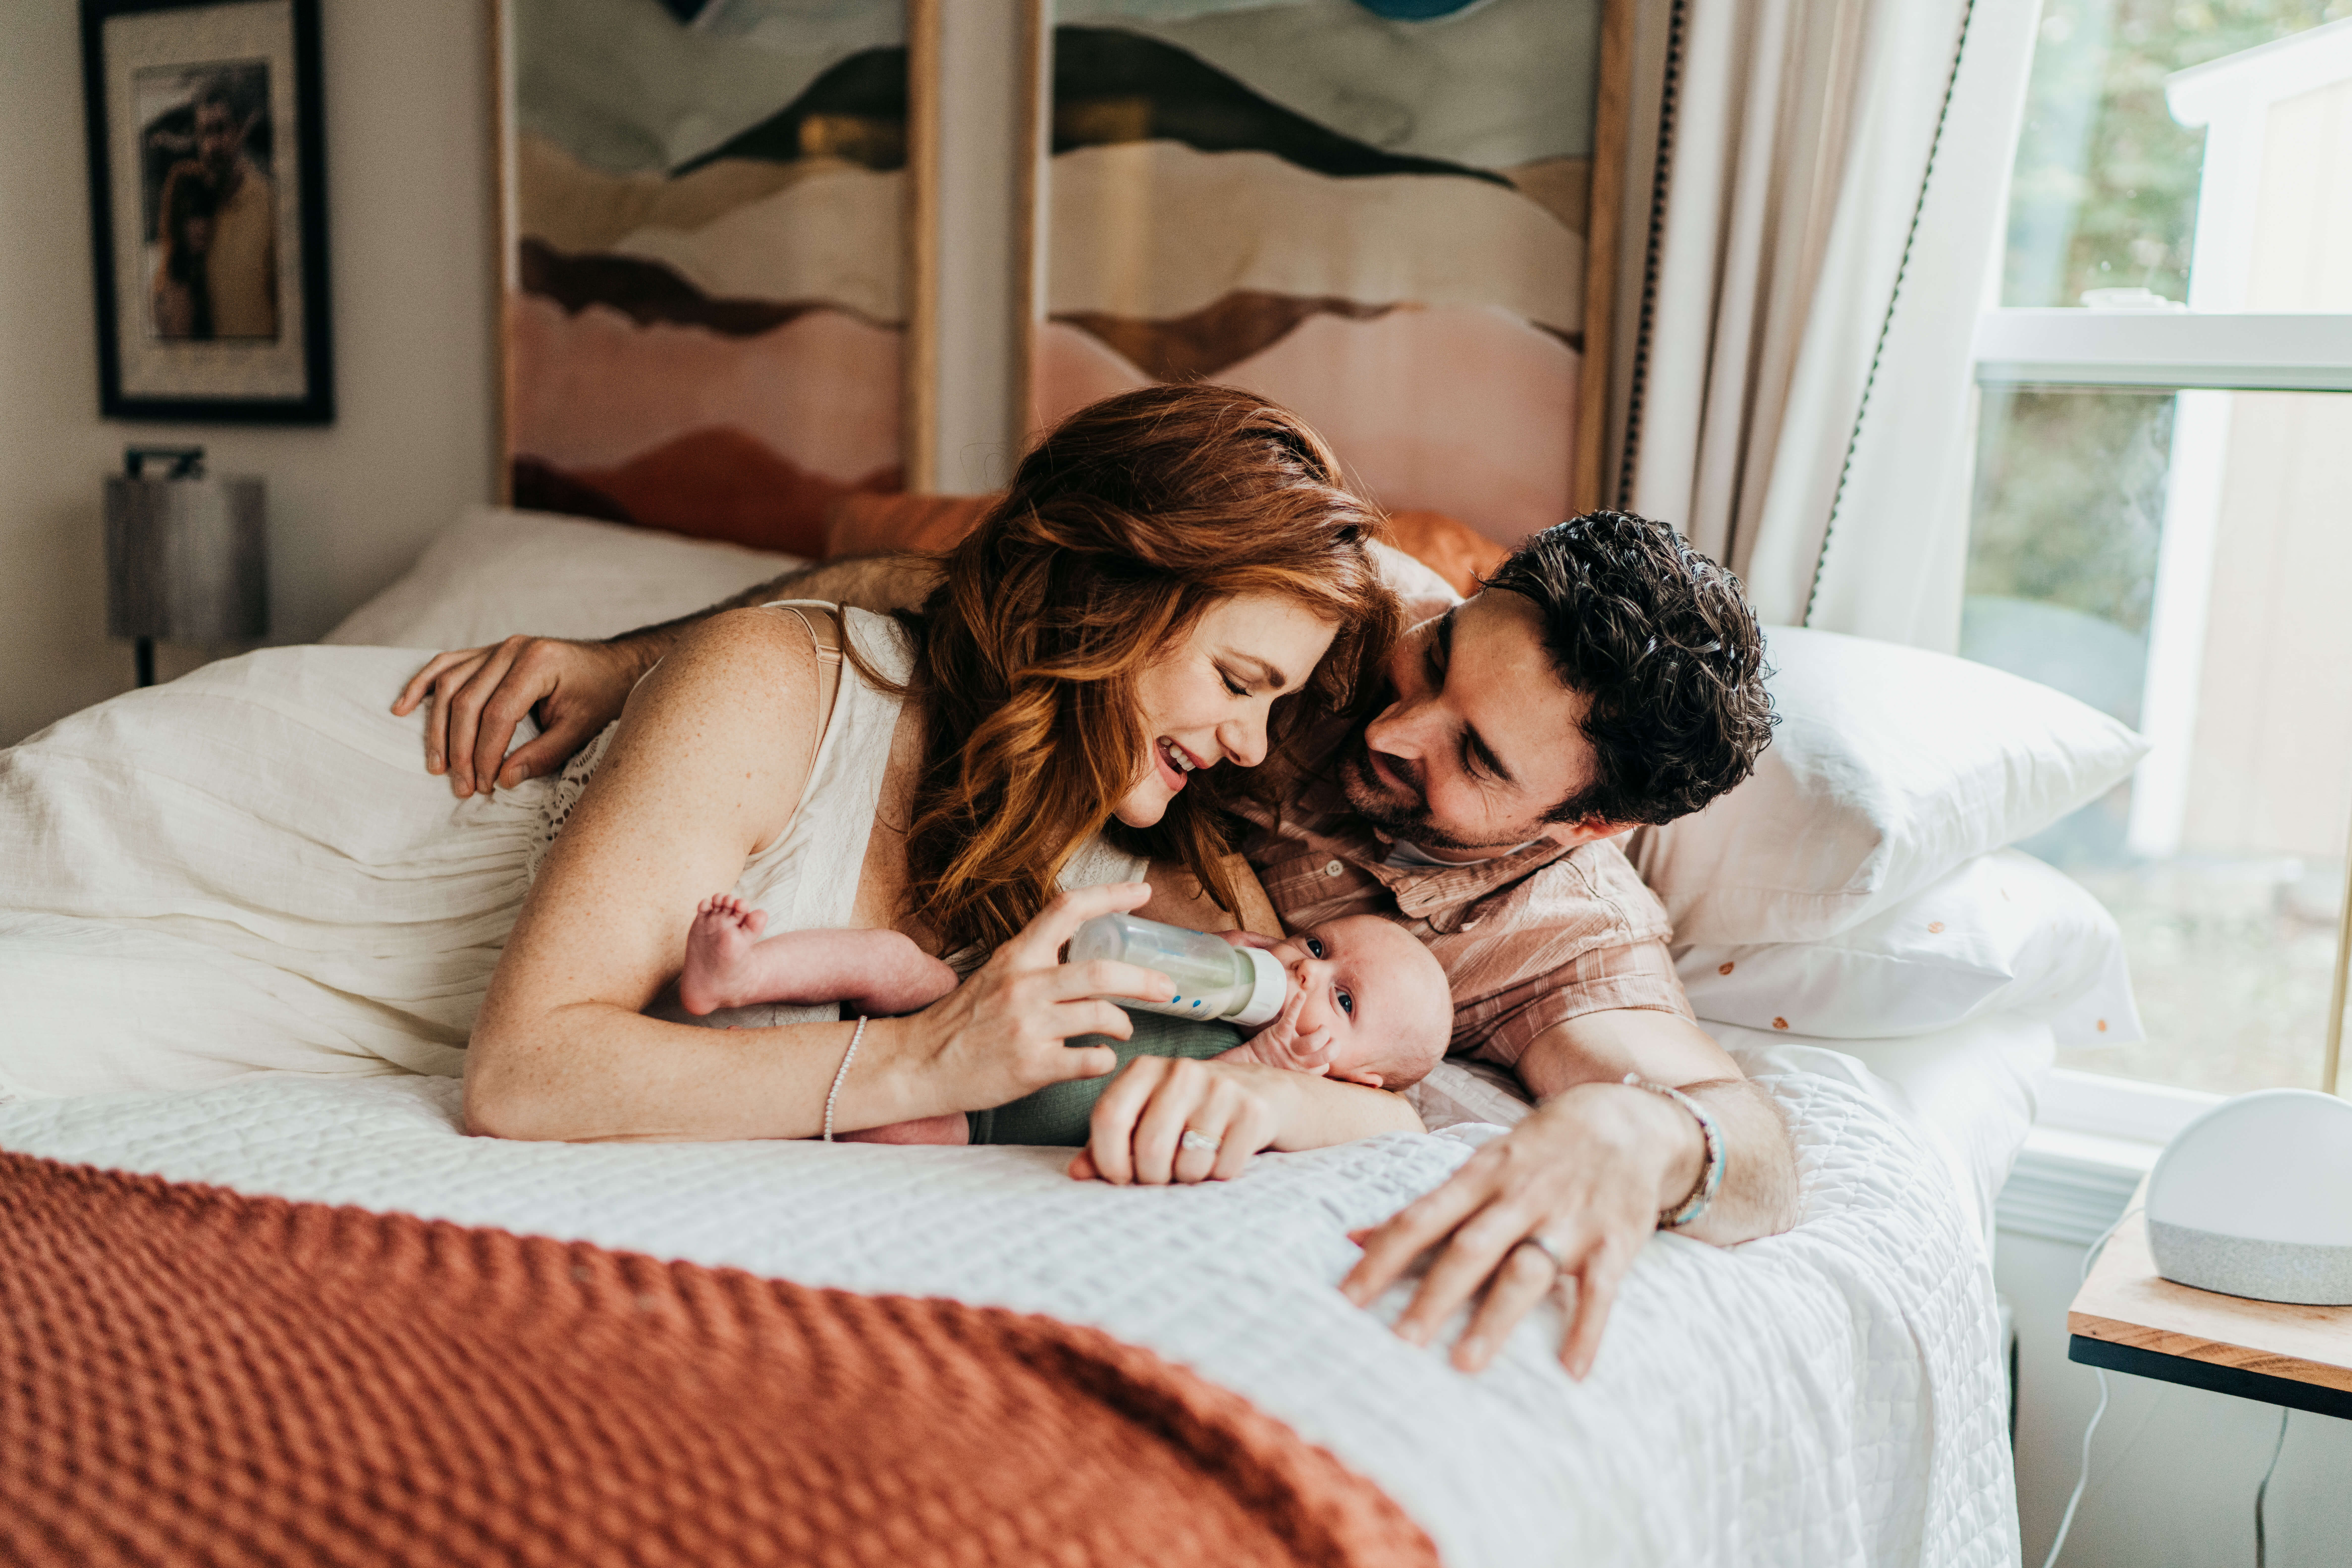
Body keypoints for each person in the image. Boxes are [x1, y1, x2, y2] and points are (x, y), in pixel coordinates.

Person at [401, 414, 1801, 1382]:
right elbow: (977, 593)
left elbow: (1745, 1137)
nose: (1390, 724)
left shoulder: (1573, 937)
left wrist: (1631, 1136)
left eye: (1474, 758)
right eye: (1439, 662)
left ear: (1587, 821)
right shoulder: (1351, 603)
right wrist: (641, 660)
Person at [461, 385, 1422, 1184]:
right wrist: (924, 1059)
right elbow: (521, 1075)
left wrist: (1269, 1091)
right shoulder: (775, 684)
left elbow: (1389, 1112)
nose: (1253, 745)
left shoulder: (1172, 886)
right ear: (1104, 602)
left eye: (1275, 704)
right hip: (387, 804)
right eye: (1238, 682)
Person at [672, 899, 1449, 1146]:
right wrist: (1219, 950)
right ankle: (741, 973)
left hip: (988, 1116)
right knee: (890, 958)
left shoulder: (1269, 1090)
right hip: (972, 1000)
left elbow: (1168, 1098)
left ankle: (756, 1076)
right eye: (1316, 946)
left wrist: (1268, 1057)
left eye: (1343, 1001)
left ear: (1357, 1077)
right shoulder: (1234, 978)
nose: (1309, 971)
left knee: (894, 1131)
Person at [190, 78, 276, 340]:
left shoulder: (270, 205)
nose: (211, 146)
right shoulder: (194, 206)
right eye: (204, 133)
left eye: (220, 130)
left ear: (239, 132)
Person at [150, 160, 216, 340]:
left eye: (206, 213)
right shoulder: (177, 280)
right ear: (177, 219)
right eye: (192, 215)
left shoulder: (193, 266)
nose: (202, 226)